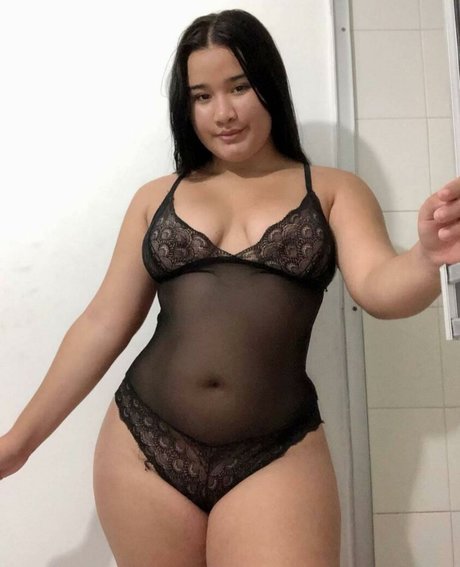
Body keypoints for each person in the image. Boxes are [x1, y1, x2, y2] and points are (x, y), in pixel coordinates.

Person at [1, 8, 459, 567]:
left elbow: (380, 289)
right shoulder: (155, 198)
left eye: (239, 87)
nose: (223, 112)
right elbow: (102, 324)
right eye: (202, 96)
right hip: (143, 443)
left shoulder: (334, 190)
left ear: (269, 85)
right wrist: (18, 443)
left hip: (276, 449)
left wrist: (427, 258)